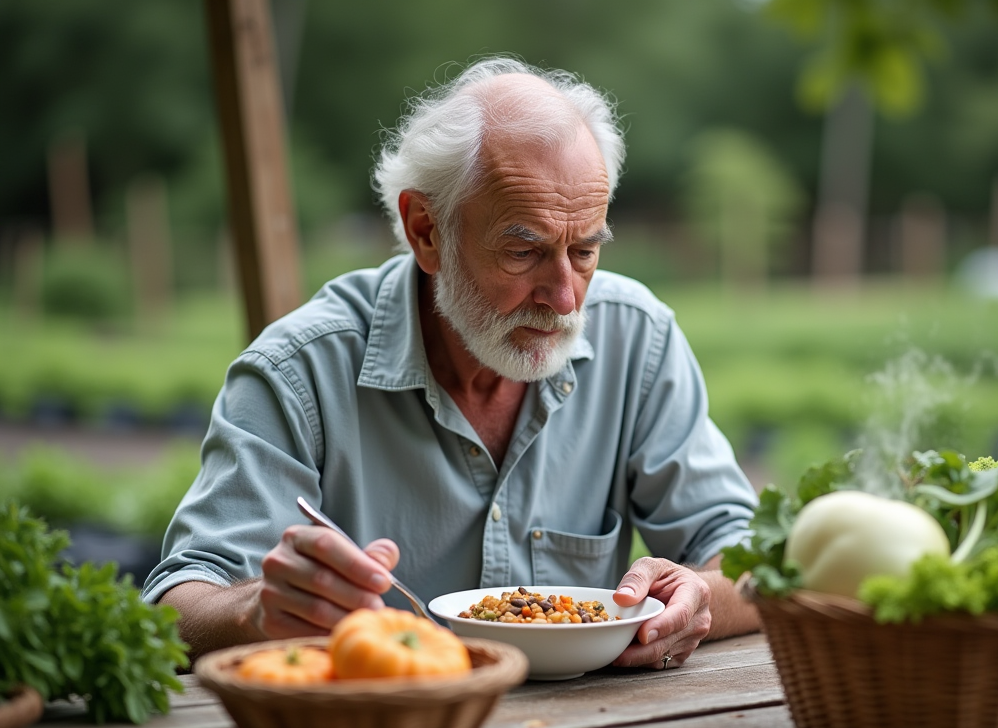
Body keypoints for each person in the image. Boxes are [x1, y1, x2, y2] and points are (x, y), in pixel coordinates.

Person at [143, 56, 760, 669]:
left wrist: (702, 596)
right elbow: (176, 605)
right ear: (425, 231)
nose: (565, 298)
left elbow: (750, 560)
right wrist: (255, 610)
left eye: (584, 250)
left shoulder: (638, 340)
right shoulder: (299, 371)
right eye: (524, 251)